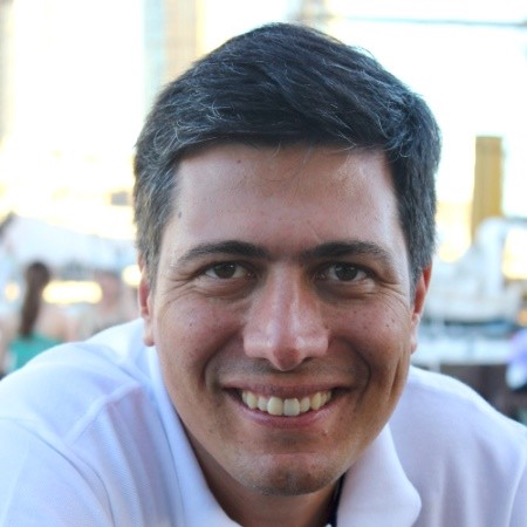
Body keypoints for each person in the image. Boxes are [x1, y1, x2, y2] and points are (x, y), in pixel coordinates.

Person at [0, 23, 525, 527]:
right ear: (148, 296)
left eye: (345, 272)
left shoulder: (497, 479)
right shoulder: (40, 456)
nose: (284, 344)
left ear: (415, 301)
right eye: (224, 270)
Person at [0, 261, 76, 375]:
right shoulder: (61, 319)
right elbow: (73, 359)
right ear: (48, 282)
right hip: (49, 381)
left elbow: (1, 363)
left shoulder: (9, 320)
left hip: (19, 381)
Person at [76, 268, 138, 338]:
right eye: (103, 279)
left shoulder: (126, 310)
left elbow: (137, 328)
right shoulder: (88, 314)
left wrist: (127, 296)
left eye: (110, 280)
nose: (106, 284)